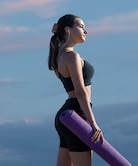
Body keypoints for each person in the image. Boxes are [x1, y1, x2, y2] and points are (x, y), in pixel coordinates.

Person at [49, 14, 103, 166]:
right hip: (78, 114)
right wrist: (93, 123)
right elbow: (80, 92)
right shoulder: (71, 56)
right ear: (68, 29)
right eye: (81, 26)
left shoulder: (59, 55)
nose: (86, 31)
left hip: (66, 115)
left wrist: (58, 30)